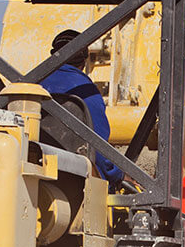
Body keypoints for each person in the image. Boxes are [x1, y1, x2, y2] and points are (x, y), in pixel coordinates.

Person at [39, 29, 123, 183]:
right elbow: (98, 149)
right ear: (84, 60)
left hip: (36, 174)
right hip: (75, 182)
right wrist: (118, 175)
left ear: (53, 54)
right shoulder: (87, 92)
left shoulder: (32, 84)